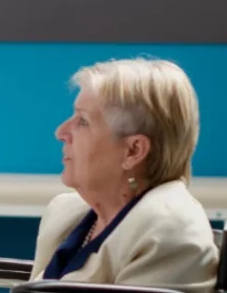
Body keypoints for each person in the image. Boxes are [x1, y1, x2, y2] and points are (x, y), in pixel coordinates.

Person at [29, 58, 218, 292]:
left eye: (82, 121)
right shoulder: (67, 213)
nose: (61, 132)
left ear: (133, 151)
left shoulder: (167, 233)